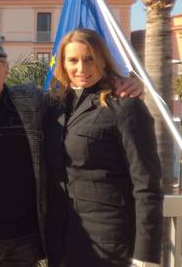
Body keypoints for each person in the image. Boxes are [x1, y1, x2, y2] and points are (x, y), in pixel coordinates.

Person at [0, 39, 142, 267]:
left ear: (6, 68)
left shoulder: (31, 99)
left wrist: (126, 82)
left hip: (24, 237)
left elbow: (76, 95)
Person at [44, 28, 163, 267]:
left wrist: (146, 256)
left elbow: (147, 184)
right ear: (63, 65)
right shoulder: (55, 106)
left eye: (89, 59)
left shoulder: (125, 107)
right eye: (73, 60)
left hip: (111, 241)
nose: (82, 69)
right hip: (62, 241)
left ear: (103, 59)